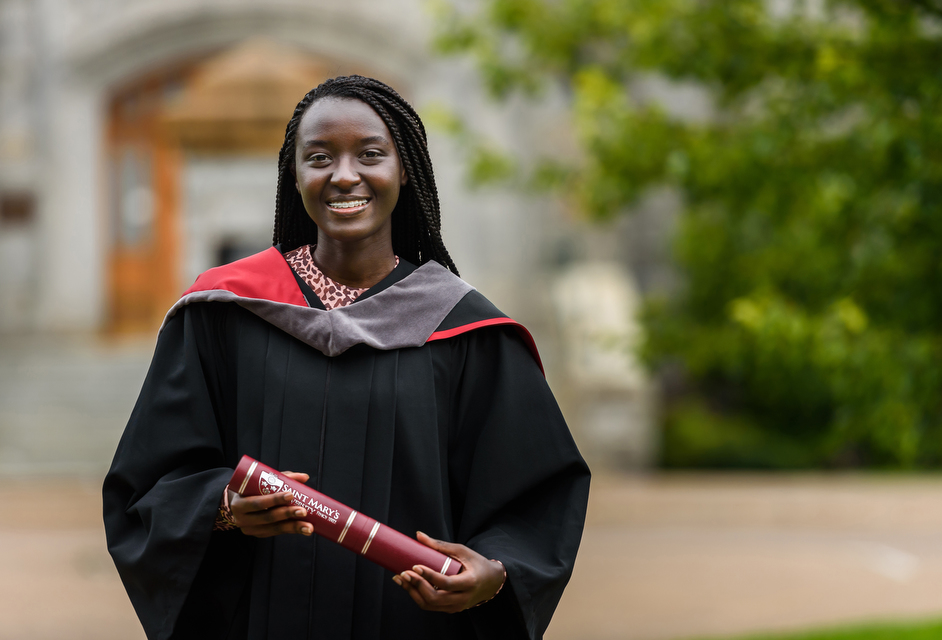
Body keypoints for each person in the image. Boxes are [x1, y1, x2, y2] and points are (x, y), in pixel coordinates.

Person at [103, 75, 590, 640]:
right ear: (296, 174)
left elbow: (536, 495)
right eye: (319, 157)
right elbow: (147, 484)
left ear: (404, 168)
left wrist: (497, 571)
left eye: (370, 154)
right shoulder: (222, 315)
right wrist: (223, 506)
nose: (344, 175)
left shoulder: (465, 331)